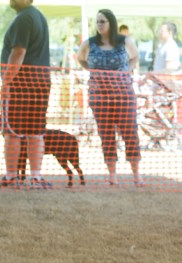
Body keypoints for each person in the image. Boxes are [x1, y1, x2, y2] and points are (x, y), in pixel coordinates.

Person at [76, 9, 142, 186]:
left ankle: (137, 175)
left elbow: (135, 57)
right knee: (106, 135)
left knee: (130, 133)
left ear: (111, 23)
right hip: (99, 97)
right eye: (97, 22)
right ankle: (112, 175)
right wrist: (90, 69)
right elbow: (80, 59)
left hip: (124, 95)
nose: (99, 25)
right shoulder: (89, 43)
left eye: (102, 21)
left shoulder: (124, 41)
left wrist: (128, 70)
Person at [0, 0, 51, 189]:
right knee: (36, 132)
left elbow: (18, 52)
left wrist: (6, 81)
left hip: (21, 83)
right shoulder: (38, 17)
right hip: (41, 81)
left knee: (12, 132)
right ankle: (35, 177)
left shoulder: (24, 18)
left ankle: (11, 177)